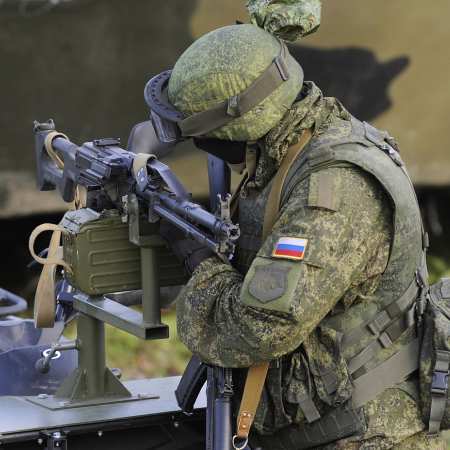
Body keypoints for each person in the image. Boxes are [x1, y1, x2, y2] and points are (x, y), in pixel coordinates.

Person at [148, 20, 446, 450]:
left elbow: (257, 328)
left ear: (238, 126)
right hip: (323, 424)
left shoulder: (333, 189)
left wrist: (198, 259)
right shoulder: (287, 144)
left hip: (367, 435)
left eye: (200, 132)